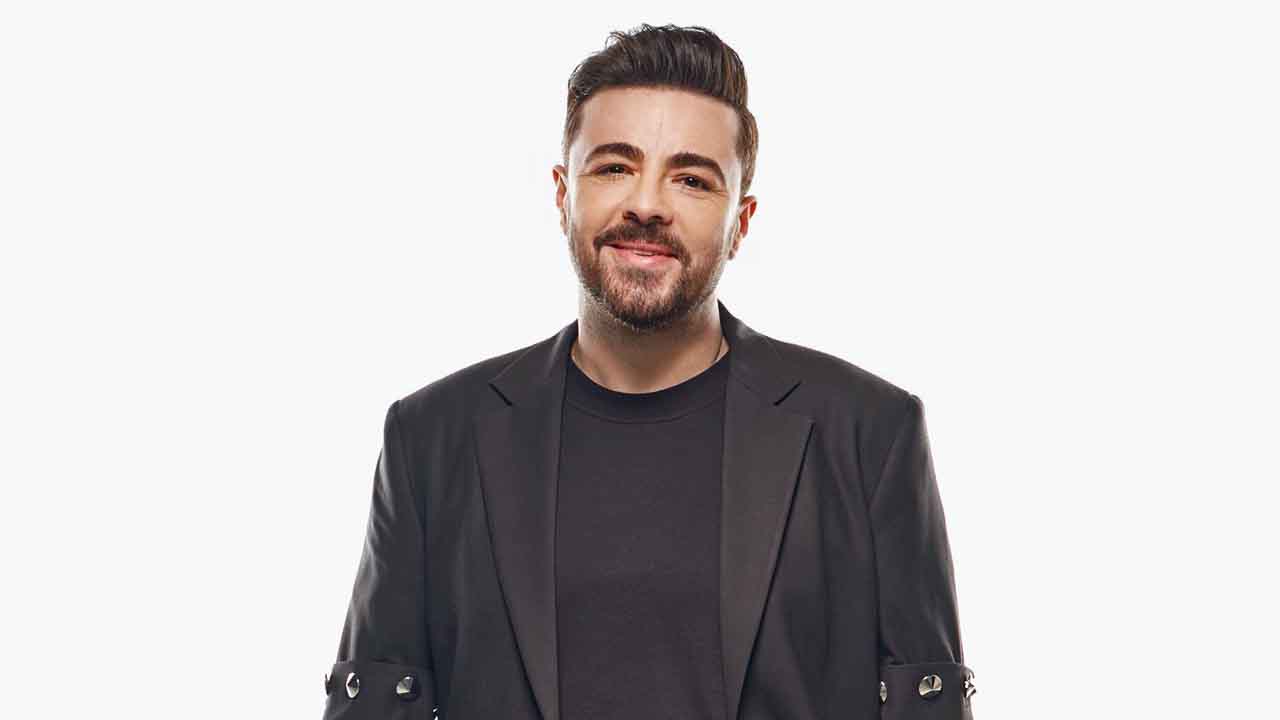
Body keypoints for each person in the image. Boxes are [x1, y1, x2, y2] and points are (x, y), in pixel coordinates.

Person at [320, 23, 977, 720]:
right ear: (562, 194)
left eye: (692, 179)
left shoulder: (871, 434)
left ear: (742, 221)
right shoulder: (430, 439)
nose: (648, 204)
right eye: (613, 167)